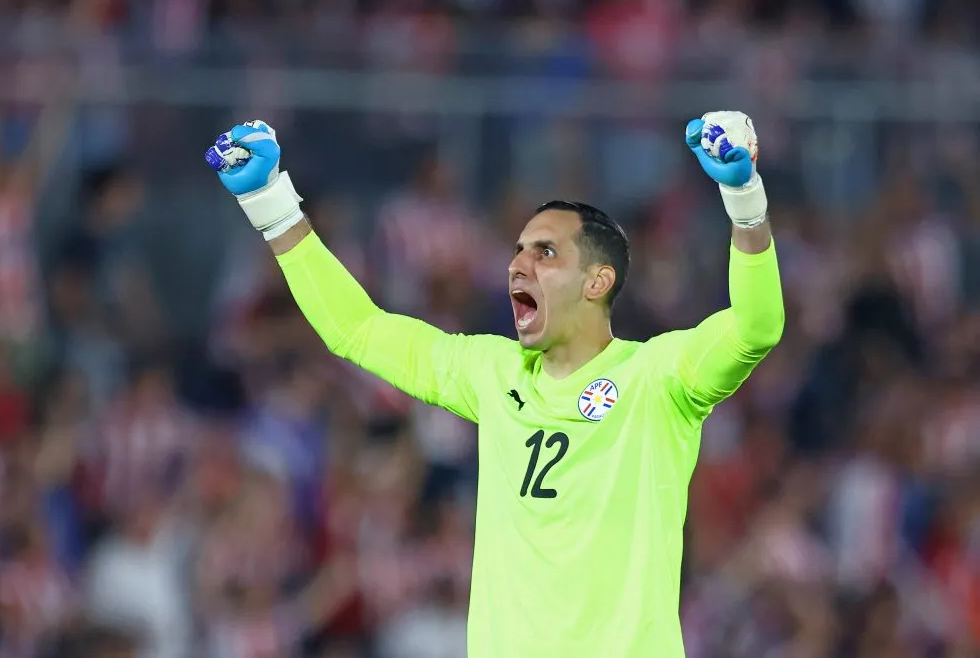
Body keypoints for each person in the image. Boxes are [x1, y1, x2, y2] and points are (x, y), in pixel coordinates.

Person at [204, 113, 784, 658]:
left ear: (597, 281)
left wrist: (745, 201)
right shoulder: (491, 373)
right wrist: (271, 202)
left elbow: (757, 326)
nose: (517, 266)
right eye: (517, 251)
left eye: (546, 252)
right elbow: (356, 329)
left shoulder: (657, 377)